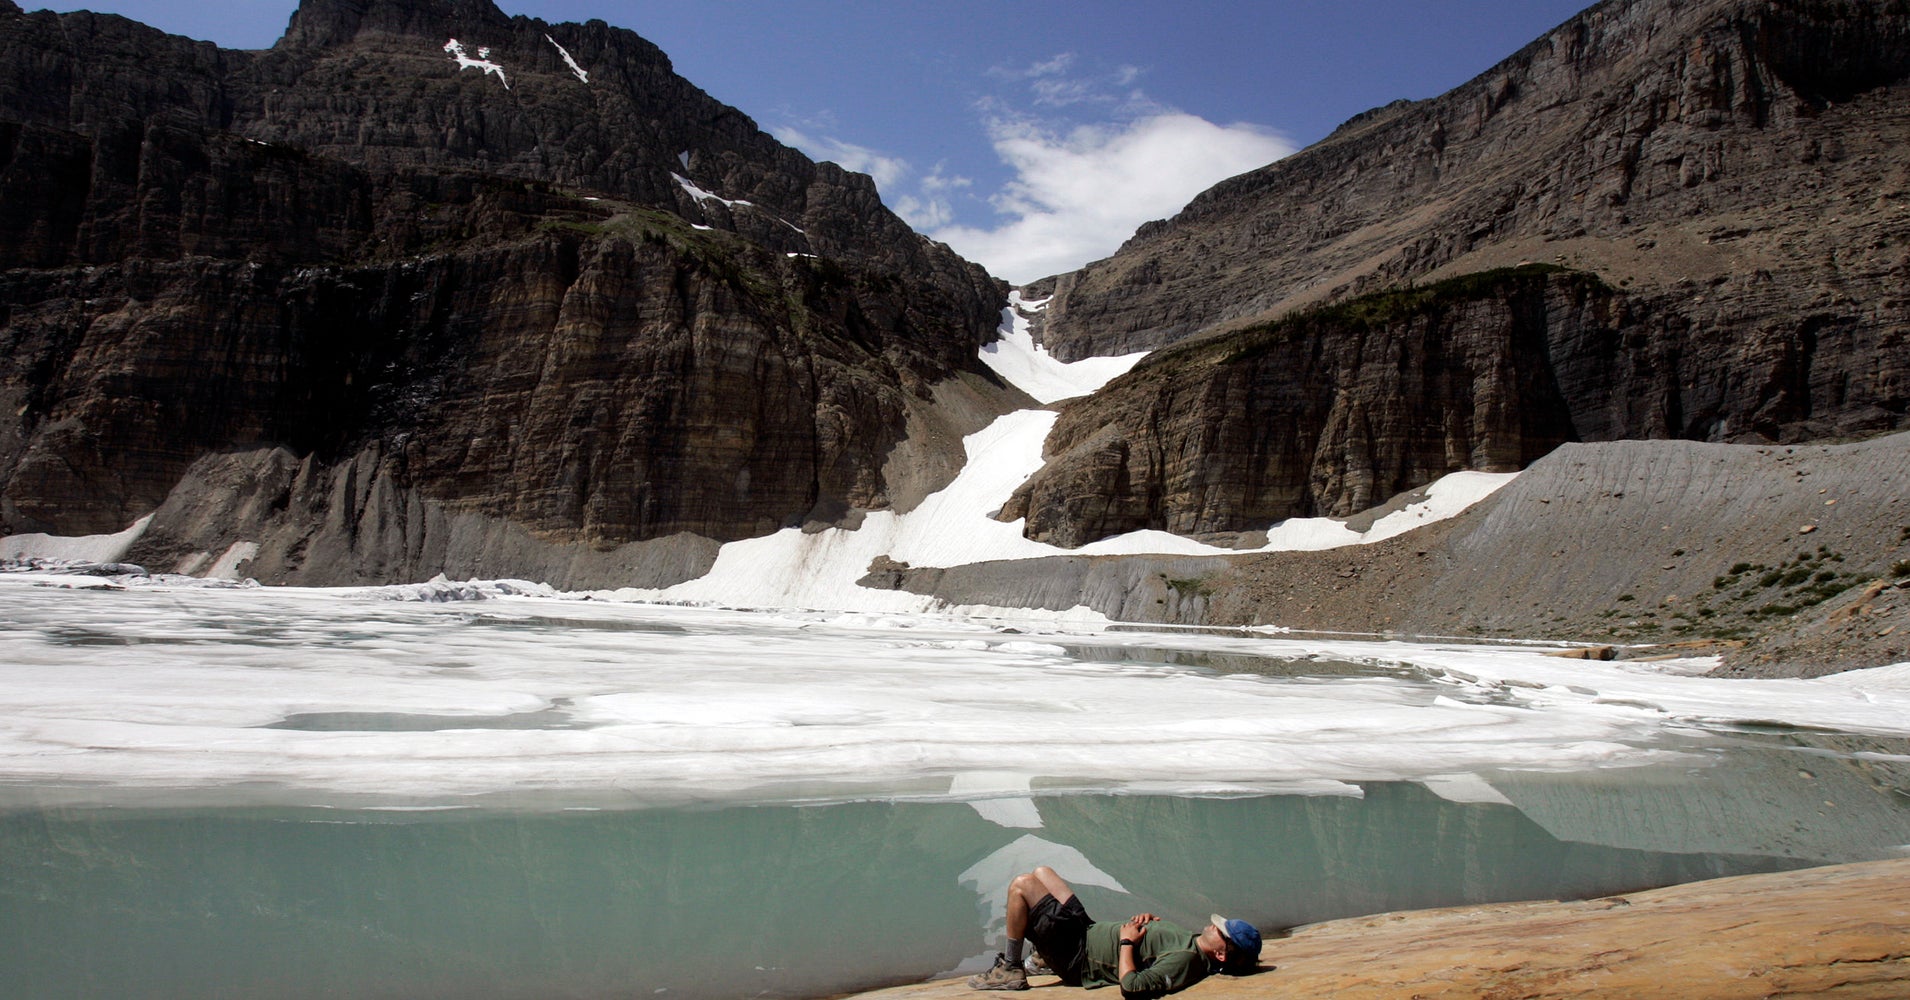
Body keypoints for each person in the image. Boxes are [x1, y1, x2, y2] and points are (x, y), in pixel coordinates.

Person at [967, 865, 1262, 997]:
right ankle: (1043, 957)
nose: (1214, 925)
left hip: (1079, 956)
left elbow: (1133, 987)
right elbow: (1154, 949)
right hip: (1086, 931)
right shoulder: (1191, 945)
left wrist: (1125, 943)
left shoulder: (1186, 960)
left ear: (1221, 953)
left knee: (1021, 885)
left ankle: (1011, 968)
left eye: (1221, 931)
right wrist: (1147, 924)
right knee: (1043, 872)